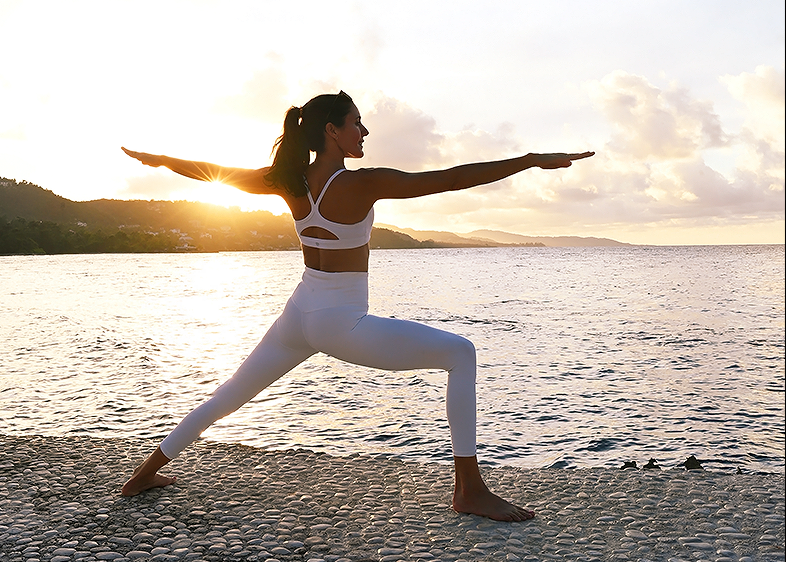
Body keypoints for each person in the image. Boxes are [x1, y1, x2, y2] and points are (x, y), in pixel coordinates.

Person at [120, 90, 594, 521]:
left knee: (228, 396)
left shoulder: (288, 180)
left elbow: (212, 173)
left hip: (299, 313)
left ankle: (144, 473)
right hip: (338, 320)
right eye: (357, 123)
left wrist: (159, 160)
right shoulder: (359, 184)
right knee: (460, 353)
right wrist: (531, 160)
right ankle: (469, 490)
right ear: (332, 131)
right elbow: (448, 179)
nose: (364, 132)